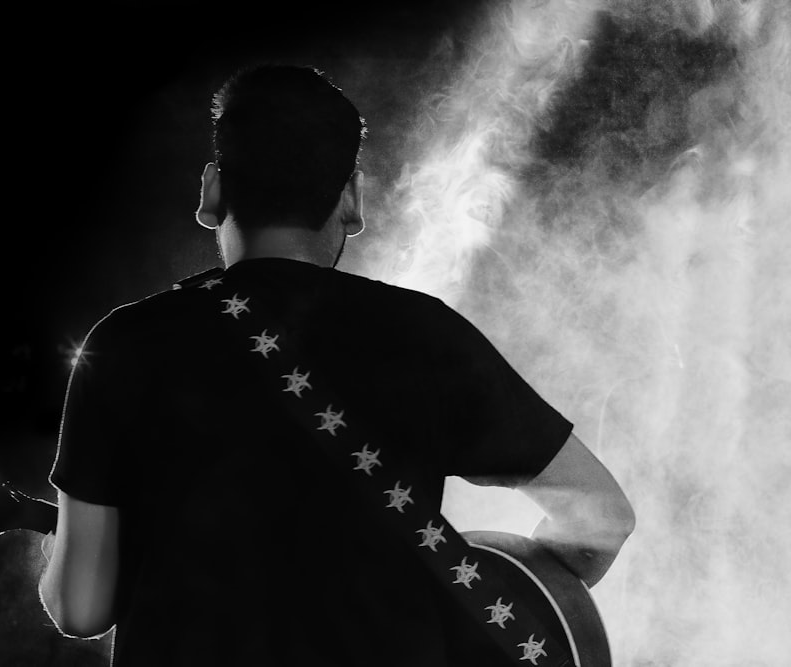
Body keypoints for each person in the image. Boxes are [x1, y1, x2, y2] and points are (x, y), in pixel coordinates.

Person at [38, 64, 634, 665]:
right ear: (351, 199)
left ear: (212, 192)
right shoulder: (425, 334)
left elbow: (80, 609)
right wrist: (489, 604)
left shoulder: (124, 344)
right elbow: (601, 518)